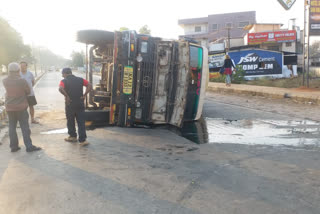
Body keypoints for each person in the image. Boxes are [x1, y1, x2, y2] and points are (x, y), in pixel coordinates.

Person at [2, 62, 41, 152]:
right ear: (18, 70)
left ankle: (14, 147)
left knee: (11, 127)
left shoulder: (5, 80)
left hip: (9, 107)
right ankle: (29, 146)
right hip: (21, 107)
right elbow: (28, 91)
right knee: (24, 127)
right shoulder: (22, 81)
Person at [59, 68, 92, 146]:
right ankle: (83, 140)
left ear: (65, 74)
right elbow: (89, 85)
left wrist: (66, 96)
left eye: (62, 74)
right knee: (81, 122)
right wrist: (84, 95)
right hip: (80, 103)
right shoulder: (80, 79)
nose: (62, 76)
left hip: (70, 104)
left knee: (70, 120)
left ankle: (73, 136)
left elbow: (60, 88)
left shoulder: (63, 81)